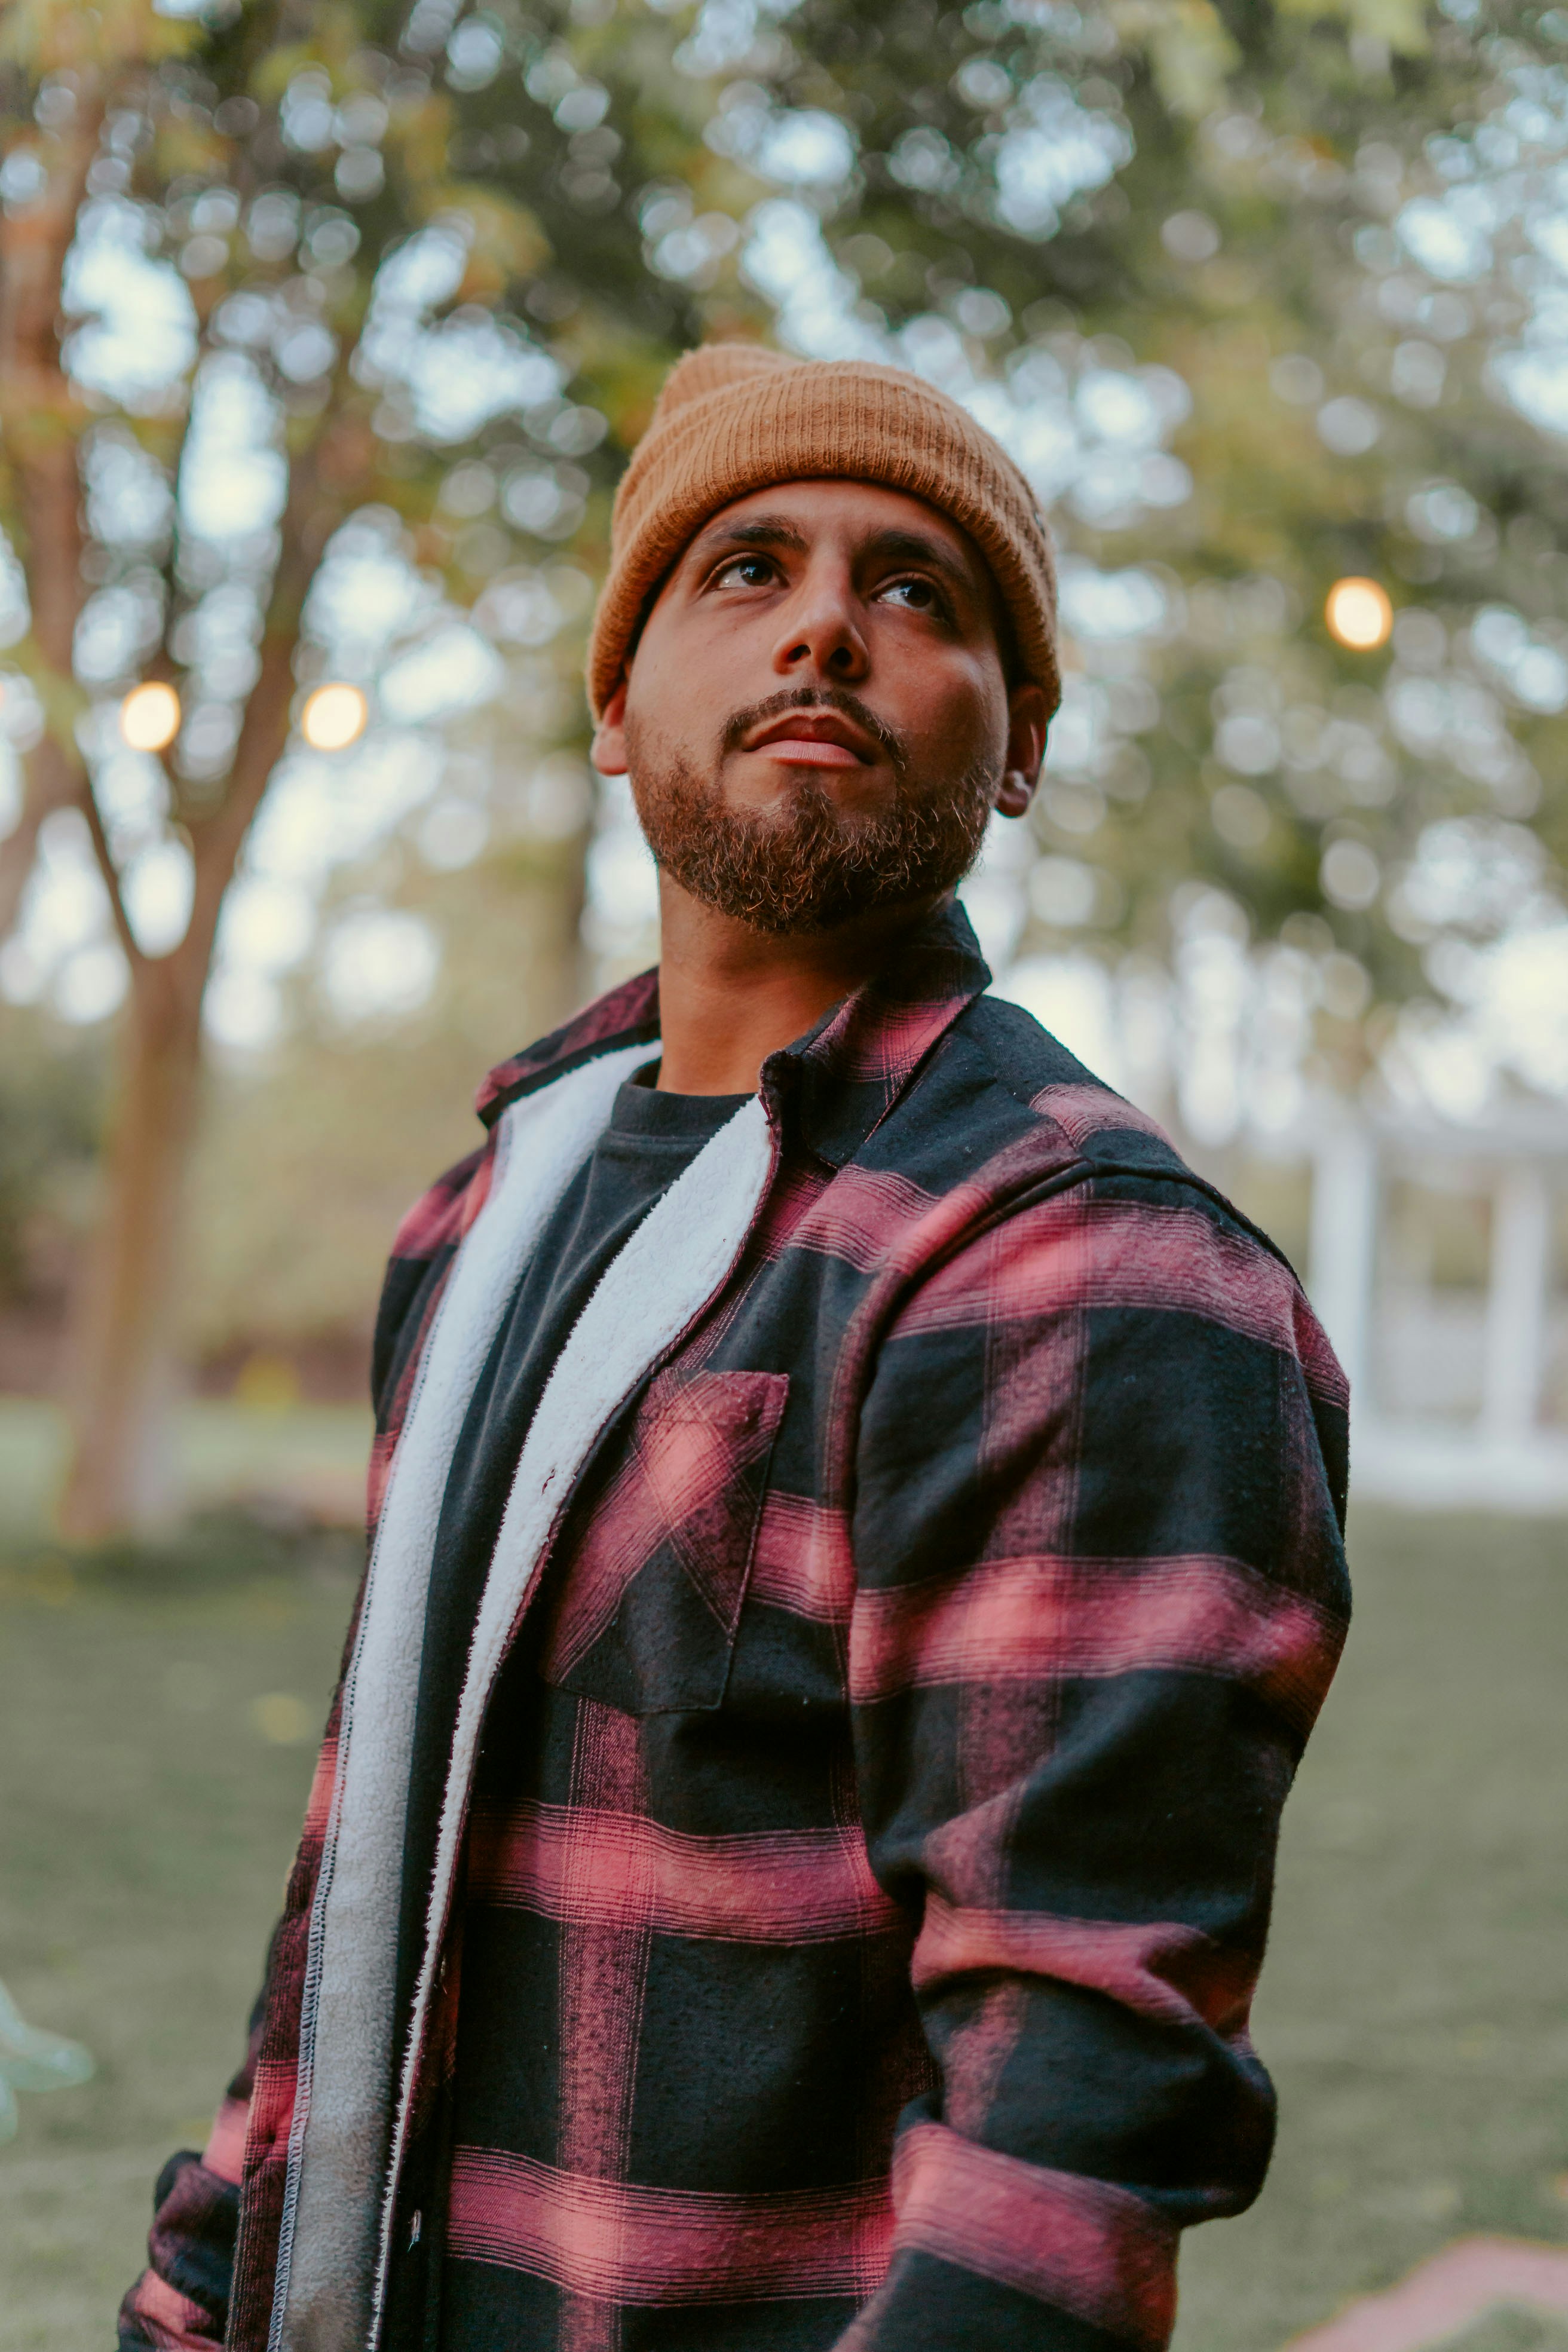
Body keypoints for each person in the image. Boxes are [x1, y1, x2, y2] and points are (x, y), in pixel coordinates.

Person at [120, 343, 1350, 2352]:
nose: (824, 633)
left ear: (1017, 740)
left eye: (915, 593)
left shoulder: (1083, 1271)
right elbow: (376, 1862)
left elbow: (1067, 2122)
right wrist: (193, 2295)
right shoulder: (483, 1210)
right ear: (617, 702)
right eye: (747, 568)